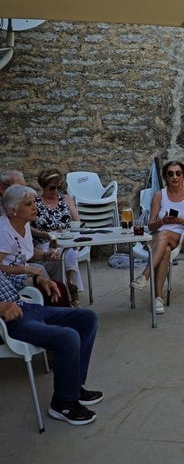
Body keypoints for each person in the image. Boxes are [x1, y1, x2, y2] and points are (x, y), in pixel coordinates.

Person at [0, 184, 102, 426]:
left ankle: (74, 388)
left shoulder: (18, 230)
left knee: (87, 318)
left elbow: (12, 269)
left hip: (24, 305)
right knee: (67, 337)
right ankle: (63, 404)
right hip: (9, 320)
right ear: (13, 211)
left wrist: (38, 278)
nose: (34, 207)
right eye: (29, 204)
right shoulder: (4, 231)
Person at [130, 161, 184, 315]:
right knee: (165, 248)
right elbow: (151, 225)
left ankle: (145, 276)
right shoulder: (159, 195)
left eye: (178, 173)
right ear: (165, 177)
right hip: (160, 239)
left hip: (183, 237)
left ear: (183, 175)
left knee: (164, 234)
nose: (174, 177)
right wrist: (163, 221)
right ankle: (158, 299)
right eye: (170, 174)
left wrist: (182, 221)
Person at [32, 169, 88, 307]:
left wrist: (76, 229)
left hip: (67, 239)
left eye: (59, 187)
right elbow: (27, 227)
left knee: (67, 251)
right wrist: (47, 234)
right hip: (45, 243)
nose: (56, 191)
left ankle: (69, 283)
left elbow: (77, 221)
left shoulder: (66, 200)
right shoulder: (34, 202)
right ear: (43, 186)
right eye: (52, 188)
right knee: (67, 252)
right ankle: (72, 288)